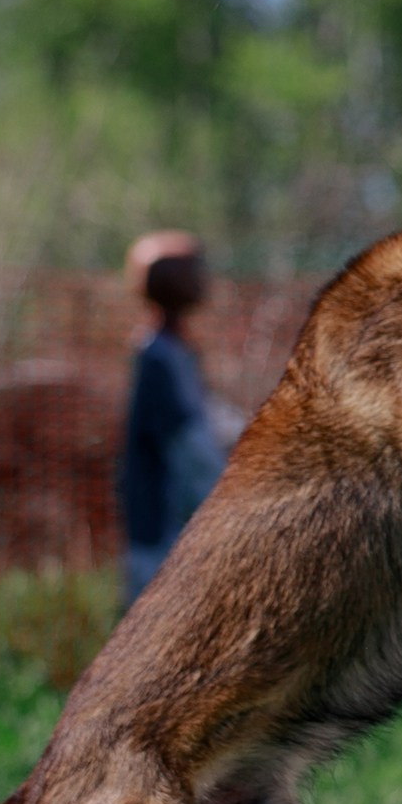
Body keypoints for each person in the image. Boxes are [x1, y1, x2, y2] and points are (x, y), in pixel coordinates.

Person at [119, 229, 228, 608]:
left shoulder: (175, 351)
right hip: (161, 525)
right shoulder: (158, 357)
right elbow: (188, 441)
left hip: (177, 523)